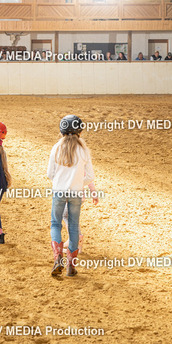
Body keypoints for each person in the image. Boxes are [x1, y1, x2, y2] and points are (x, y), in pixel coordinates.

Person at [47, 115, 98, 278]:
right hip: (76, 193)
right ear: (79, 131)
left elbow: (50, 174)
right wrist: (78, 183)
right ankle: (71, 266)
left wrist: (60, 181)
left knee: (56, 224)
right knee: (74, 226)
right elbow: (90, 176)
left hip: (59, 191)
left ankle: (58, 258)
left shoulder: (56, 147)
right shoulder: (83, 150)